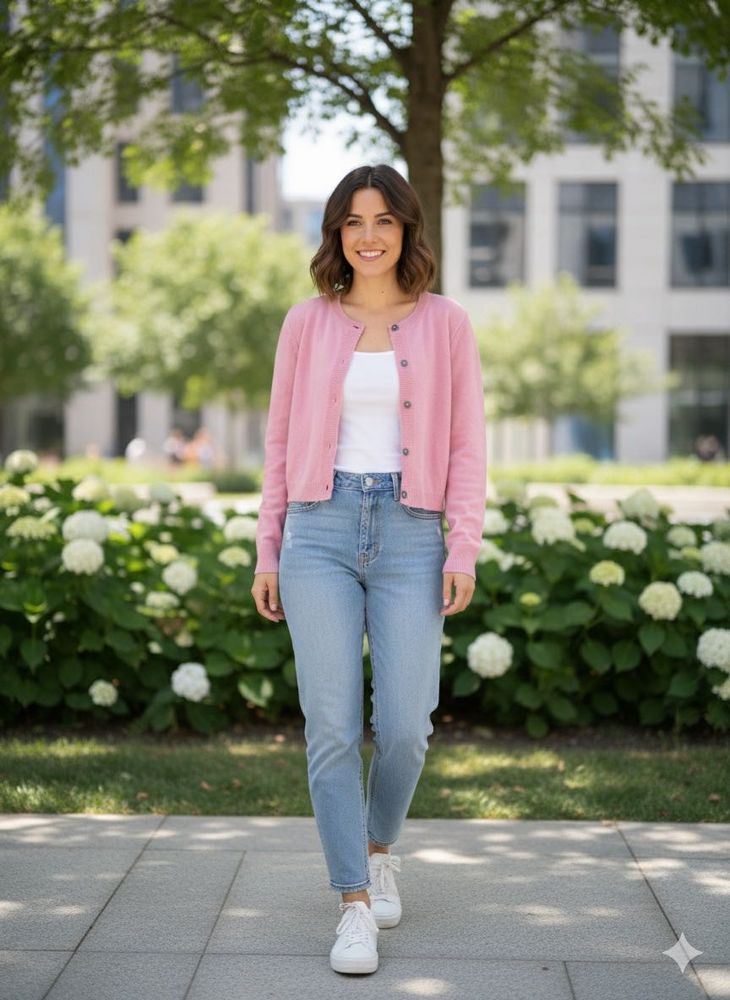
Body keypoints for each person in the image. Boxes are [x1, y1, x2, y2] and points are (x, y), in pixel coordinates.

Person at [250, 164, 487, 976]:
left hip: (412, 533)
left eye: (384, 219)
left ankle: (380, 847)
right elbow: (279, 441)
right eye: (353, 221)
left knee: (409, 724)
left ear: (407, 229)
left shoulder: (447, 323)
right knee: (331, 726)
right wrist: (269, 547)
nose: (369, 235)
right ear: (336, 234)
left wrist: (463, 546)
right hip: (318, 528)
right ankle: (353, 902)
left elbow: (467, 445)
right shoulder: (306, 322)